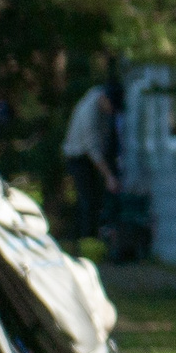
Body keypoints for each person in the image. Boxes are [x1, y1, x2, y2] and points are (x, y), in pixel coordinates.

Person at [61, 70, 123, 243]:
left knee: (96, 200)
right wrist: (109, 177)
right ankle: (85, 242)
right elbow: (93, 149)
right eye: (111, 107)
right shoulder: (90, 111)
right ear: (105, 99)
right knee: (87, 200)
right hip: (78, 157)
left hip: (92, 157)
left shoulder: (101, 102)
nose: (112, 112)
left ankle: (92, 239)